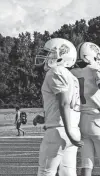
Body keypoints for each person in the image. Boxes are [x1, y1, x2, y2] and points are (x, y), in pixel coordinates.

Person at [34, 38, 83, 176]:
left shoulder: (54, 72)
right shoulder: (71, 76)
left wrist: (66, 130)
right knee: (68, 173)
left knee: (45, 172)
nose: (45, 56)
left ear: (60, 56)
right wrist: (45, 118)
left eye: (48, 53)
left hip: (59, 131)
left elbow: (64, 102)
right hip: (71, 128)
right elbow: (67, 105)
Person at [70, 42, 100, 176]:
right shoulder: (97, 70)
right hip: (99, 120)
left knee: (86, 165)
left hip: (82, 121)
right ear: (91, 55)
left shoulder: (73, 73)